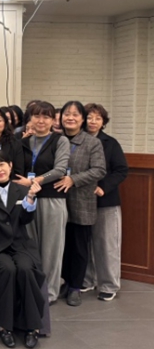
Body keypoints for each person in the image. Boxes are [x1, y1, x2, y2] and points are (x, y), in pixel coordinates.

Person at [0, 150, 44, 349]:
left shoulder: (22, 190)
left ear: (10, 166)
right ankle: (5, 326)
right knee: (7, 269)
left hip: (20, 244)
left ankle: (32, 326)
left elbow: (25, 219)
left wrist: (30, 198)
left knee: (25, 268)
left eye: (2, 164)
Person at [17, 101, 70, 304]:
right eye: (37, 116)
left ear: (53, 120)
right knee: (29, 247)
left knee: (51, 249)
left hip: (51, 199)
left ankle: (49, 293)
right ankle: (31, 289)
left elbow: (60, 170)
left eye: (46, 117)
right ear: (30, 118)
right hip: (27, 199)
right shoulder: (23, 140)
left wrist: (34, 181)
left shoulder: (60, 140)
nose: (41, 120)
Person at [56, 101, 106, 306]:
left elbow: (99, 170)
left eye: (75, 114)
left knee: (78, 247)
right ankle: (65, 282)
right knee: (62, 246)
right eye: (67, 114)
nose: (70, 118)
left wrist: (73, 179)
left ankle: (76, 287)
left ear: (82, 119)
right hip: (57, 200)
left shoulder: (92, 142)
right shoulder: (56, 139)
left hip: (81, 201)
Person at [82, 103, 128, 301]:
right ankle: (87, 280)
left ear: (103, 122)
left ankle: (109, 284)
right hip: (81, 200)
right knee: (84, 243)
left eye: (98, 118)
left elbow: (121, 170)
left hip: (105, 200)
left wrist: (103, 187)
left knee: (107, 244)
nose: (93, 121)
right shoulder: (76, 140)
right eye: (89, 117)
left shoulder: (110, 143)